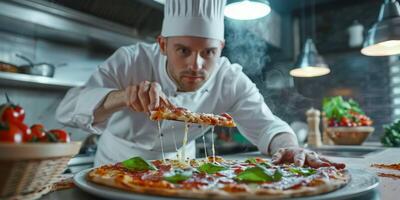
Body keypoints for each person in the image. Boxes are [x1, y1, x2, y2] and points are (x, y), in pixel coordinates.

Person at [56, 0, 343, 168]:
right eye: (183, 51)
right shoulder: (131, 61)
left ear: (221, 46)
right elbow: (68, 109)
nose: (197, 65)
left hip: (181, 175)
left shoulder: (229, 78)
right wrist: (122, 96)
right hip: (115, 167)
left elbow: (268, 126)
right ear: (163, 44)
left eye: (208, 52)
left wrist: (290, 147)